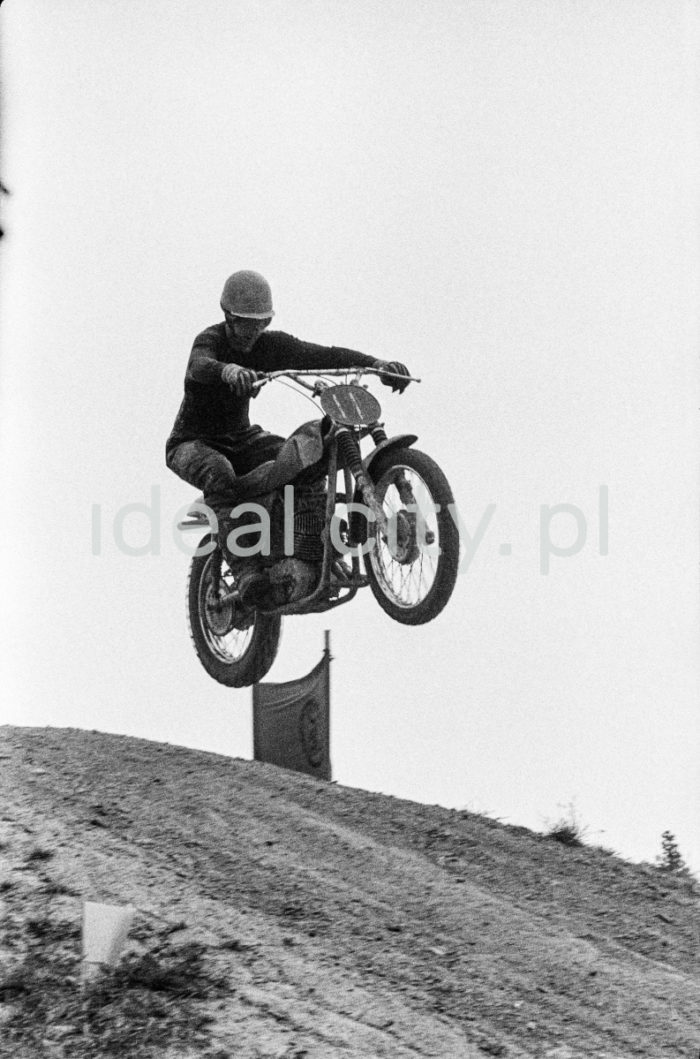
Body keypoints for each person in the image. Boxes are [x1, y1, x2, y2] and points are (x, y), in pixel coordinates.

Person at [166, 270, 411, 590]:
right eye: (246, 322)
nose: (254, 331)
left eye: (261, 323)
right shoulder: (210, 340)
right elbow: (199, 364)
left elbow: (323, 354)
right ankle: (246, 571)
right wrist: (227, 369)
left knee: (304, 456)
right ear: (228, 316)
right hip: (193, 442)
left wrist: (377, 364)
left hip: (243, 438)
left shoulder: (271, 346)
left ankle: (311, 545)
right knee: (219, 472)